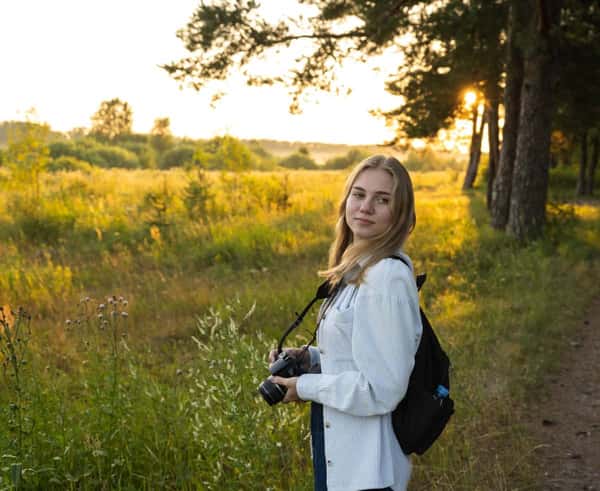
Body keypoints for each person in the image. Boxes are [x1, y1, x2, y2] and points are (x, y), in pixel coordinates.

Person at [268, 155, 423, 491]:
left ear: (400, 212)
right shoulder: (360, 268)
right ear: (346, 200)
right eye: (359, 194)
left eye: (382, 200)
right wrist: (311, 360)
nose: (365, 207)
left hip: (370, 468)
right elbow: (363, 355)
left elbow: (382, 390)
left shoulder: (386, 279)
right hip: (345, 455)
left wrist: (305, 387)